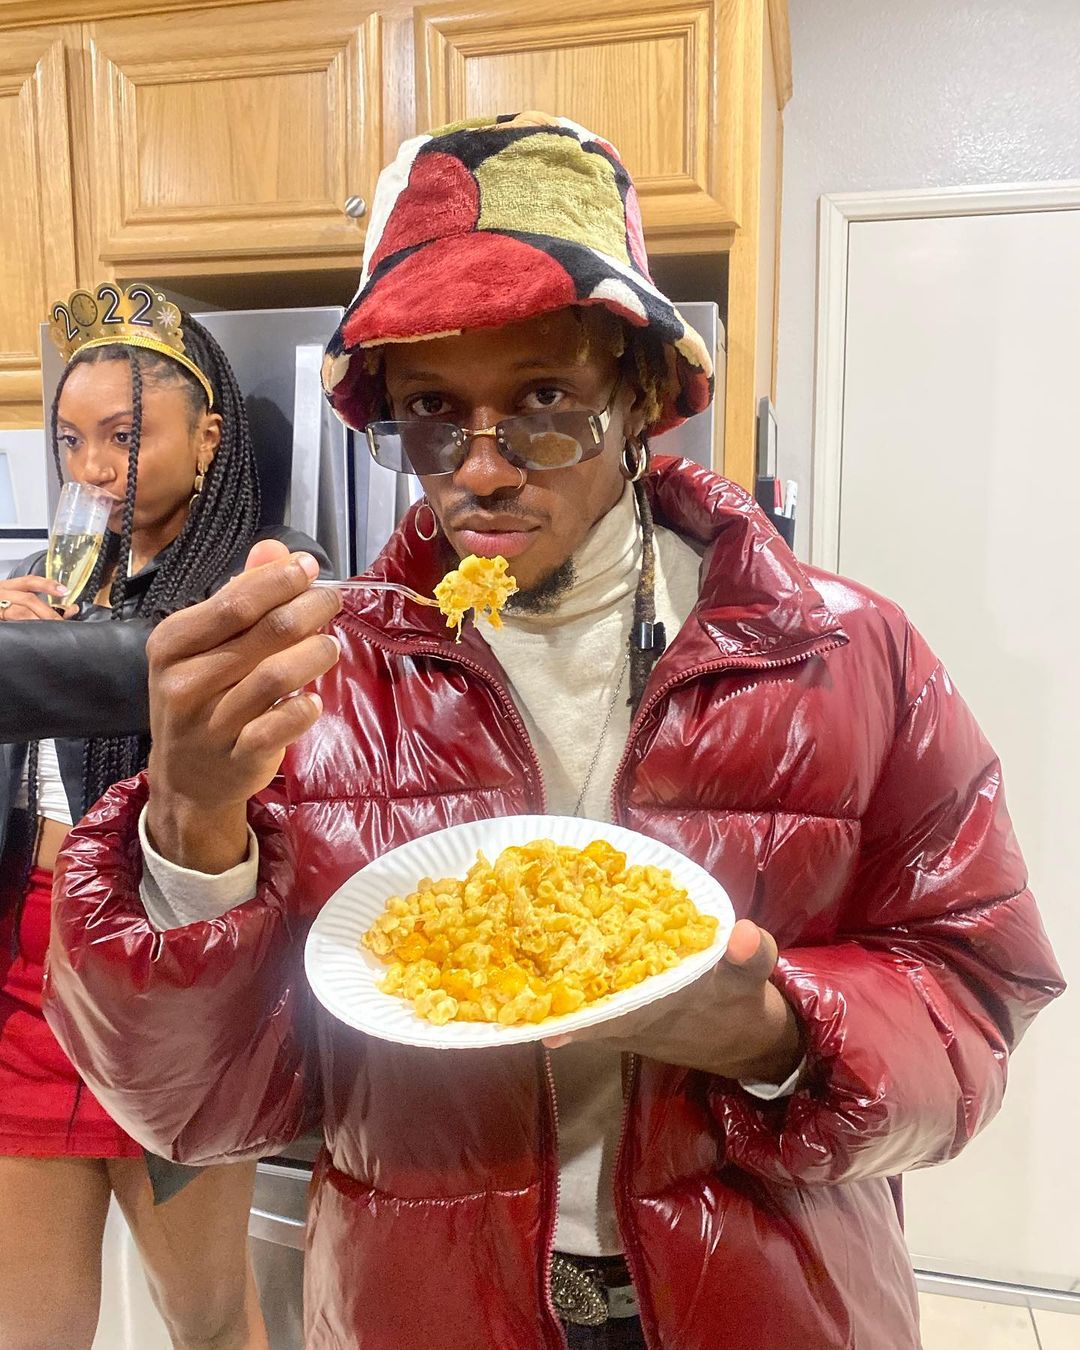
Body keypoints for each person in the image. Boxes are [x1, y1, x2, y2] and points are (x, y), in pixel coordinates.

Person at [44, 117, 1063, 1350]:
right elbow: (196, 1110)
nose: (482, 471)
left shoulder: (848, 656)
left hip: (772, 1304)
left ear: (639, 398)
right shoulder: (315, 686)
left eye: (544, 400)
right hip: (425, 1310)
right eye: (432, 412)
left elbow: (977, 994)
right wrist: (191, 819)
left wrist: (779, 1034)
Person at [0, 283, 328, 1350]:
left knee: (209, 1318)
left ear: (208, 440)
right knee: (29, 1328)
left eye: (125, 436)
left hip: (175, 980)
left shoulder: (254, 581)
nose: (92, 468)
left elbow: (237, 732)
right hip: (25, 981)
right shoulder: (36, 587)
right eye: (71, 441)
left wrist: (26, 663)